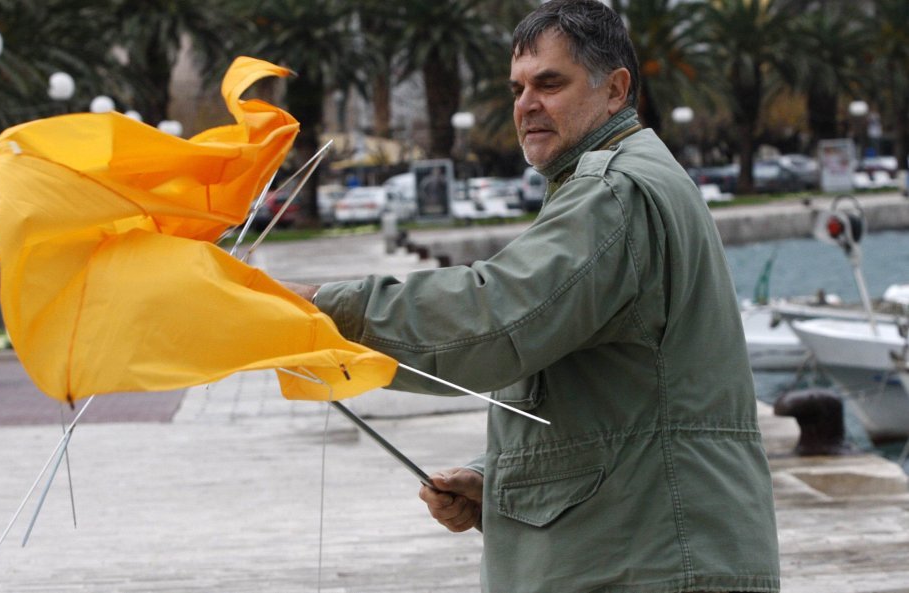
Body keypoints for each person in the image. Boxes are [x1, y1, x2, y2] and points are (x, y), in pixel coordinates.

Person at [284, 1, 780, 591]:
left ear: (615, 89)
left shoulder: (613, 193)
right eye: (517, 88)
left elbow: (496, 318)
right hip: (645, 546)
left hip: (650, 560)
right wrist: (496, 480)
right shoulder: (616, 182)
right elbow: (621, 398)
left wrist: (322, 309)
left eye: (549, 83)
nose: (526, 105)